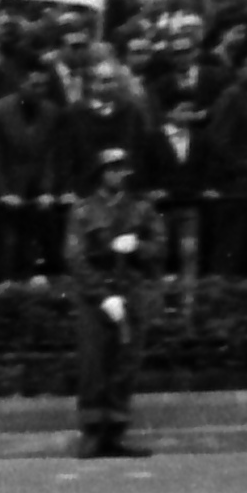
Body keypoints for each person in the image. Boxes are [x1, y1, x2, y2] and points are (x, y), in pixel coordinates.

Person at [66, 147, 161, 459]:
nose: (117, 174)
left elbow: (159, 247)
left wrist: (138, 246)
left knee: (125, 365)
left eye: (121, 168)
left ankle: (116, 432)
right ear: (100, 173)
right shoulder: (83, 210)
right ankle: (93, 432)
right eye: (111, 169)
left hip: (131, 291)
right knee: (94, 364)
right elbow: (76, 258)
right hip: (96, 296)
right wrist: (102, 296)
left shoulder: (141, 209)